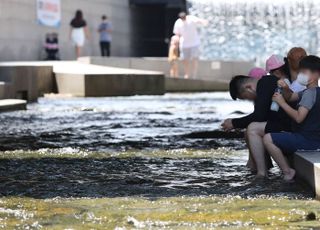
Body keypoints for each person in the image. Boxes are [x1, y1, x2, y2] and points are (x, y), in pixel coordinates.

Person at [263, 55, 320, 181]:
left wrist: (281, 103)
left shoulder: (309, 94)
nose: (301, 75)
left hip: (308, 141)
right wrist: (285, 88)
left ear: (316, 74)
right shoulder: (312, 91)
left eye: (304, 72)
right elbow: (291, 97)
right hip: (314, 139)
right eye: (300, 72)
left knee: (268, 138)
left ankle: (288, 171)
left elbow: (299, 118)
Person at [173, 12, 207, 79]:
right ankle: (187, 74)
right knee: (185, 60)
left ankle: (194, 74)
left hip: (194, 43)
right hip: (184, 44)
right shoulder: (178, 22)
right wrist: (176, 40)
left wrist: (203, 21)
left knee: (195, 58)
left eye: (184, 18)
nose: (184, 19)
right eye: (182, 18)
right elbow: (177, 34)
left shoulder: (191, 18)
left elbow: (198, 20)